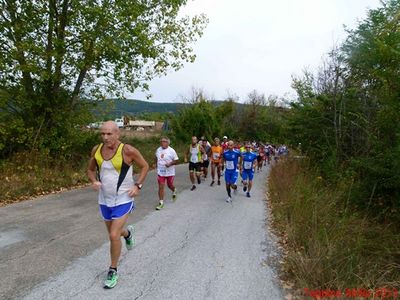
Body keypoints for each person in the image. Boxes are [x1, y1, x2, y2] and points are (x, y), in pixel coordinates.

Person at [87, 121, 149, 289]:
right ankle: (128, 233)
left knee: (113, 235)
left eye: (109, 134)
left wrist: (138, 185)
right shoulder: (97, 150)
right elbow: (90, 170)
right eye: (102, 134)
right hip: (105, 199)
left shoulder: (127, 150)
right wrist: (93, 181)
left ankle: (113, 270)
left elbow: (145, 166)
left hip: (124, 198)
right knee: (115, 233)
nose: (105, 137)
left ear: (117, 134)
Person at [155, 137, 179, 210]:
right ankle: (161, 202)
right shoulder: (158, 149)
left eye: (164, 141)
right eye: (161, 141)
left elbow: (176, 160)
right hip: (161, 171)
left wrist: (170, 164)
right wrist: (154, 163)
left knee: (169, 185)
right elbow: (156, 157)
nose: (162, 143)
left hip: (170, 172)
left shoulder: (171, 151)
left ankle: (174, 190)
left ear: (168, 143)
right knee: (161, 186)